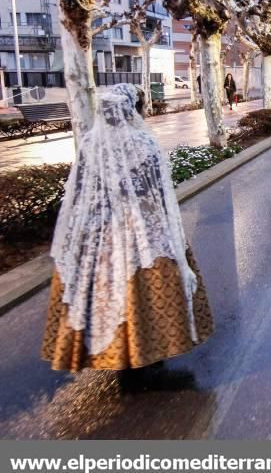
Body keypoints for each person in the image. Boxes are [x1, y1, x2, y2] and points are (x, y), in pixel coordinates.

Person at [42, 84, 214, 374]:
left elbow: (82, 189)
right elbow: (158, 192)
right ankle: (153, 349)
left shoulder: (88, 143)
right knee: (149, 287)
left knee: (98, 289)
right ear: (131, 110)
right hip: (144, 230)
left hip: (99, 231)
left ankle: (111, 353)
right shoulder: (145, 143)